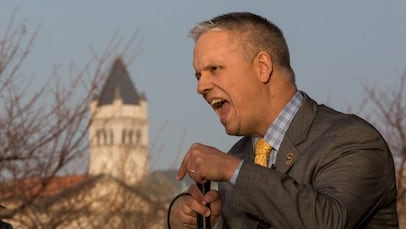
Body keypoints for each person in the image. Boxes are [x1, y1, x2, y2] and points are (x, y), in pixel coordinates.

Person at [170, 12, 398, 228]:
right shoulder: (237, 157)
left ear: (262, 68)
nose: (201, 87)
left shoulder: (353, 141)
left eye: (215, 69)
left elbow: (329, 221)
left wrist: (233, 170)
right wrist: (211, 222)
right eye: (199, 75)